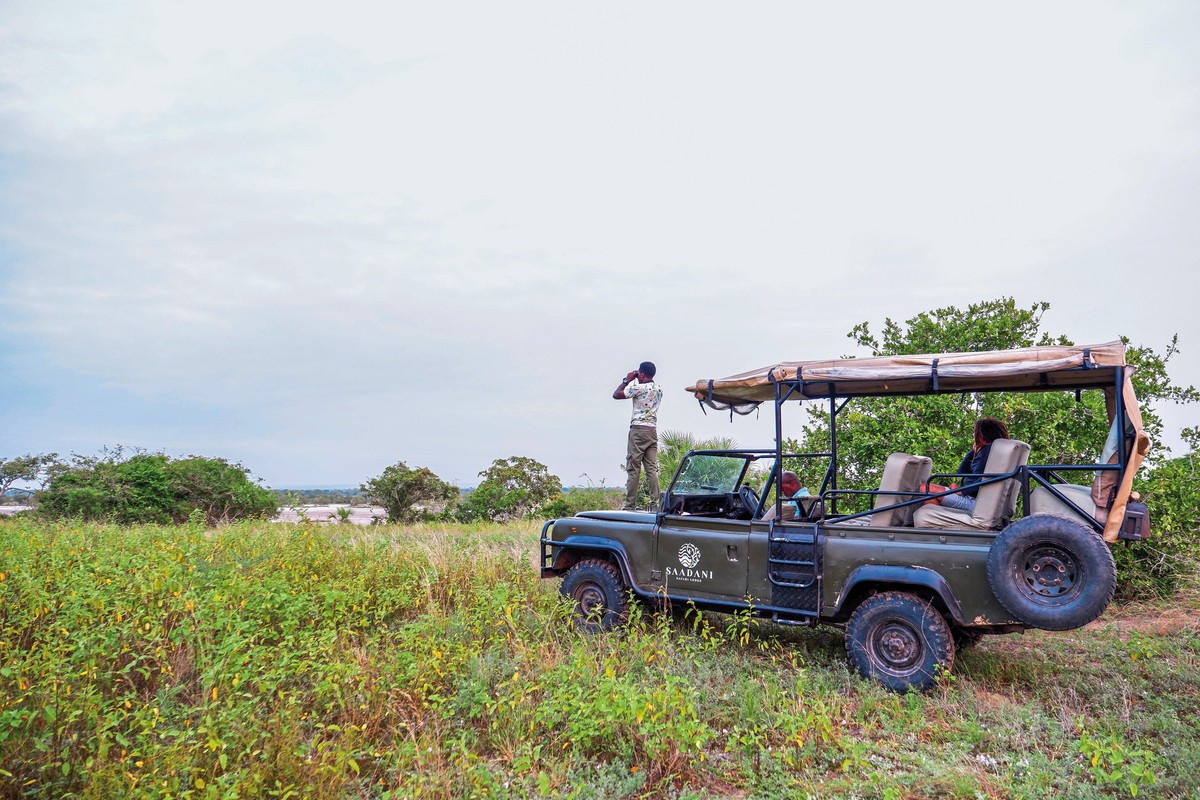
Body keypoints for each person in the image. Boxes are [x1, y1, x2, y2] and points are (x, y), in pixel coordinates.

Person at [925, 417, 1011, 512]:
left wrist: (963, 491)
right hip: (974, 498)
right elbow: (962, 471)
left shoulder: (988, 450)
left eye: (975, 433)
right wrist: (973, 451)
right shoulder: (992, 451)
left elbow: (989, 478)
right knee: (950, 485)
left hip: (974, 501)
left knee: (925, 488)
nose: (973, 435)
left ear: (981, 435)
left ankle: (944, 520)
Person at [613, 361, 663, 510]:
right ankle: (655, 504)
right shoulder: (659, 389)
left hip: (638, 430)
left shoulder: (638, 388)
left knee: (633, 468)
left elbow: (616, 394)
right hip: (652, 431)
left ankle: (630, 505)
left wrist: (627, 380)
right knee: (651, 469)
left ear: (641, 373)